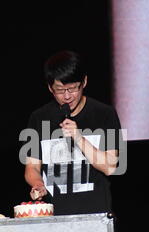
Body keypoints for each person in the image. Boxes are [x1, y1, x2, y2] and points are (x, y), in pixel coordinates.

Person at [23, 50, 121, 215]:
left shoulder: (105, 114)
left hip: (95, 214)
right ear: (50, 88)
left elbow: (110, 167)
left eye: (72, 88)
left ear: (84, 82)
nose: (67, 96)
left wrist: (78, 138)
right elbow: (31, 167)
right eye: (60, 90)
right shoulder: (39, 118)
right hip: (53, 216)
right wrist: (38, 184)